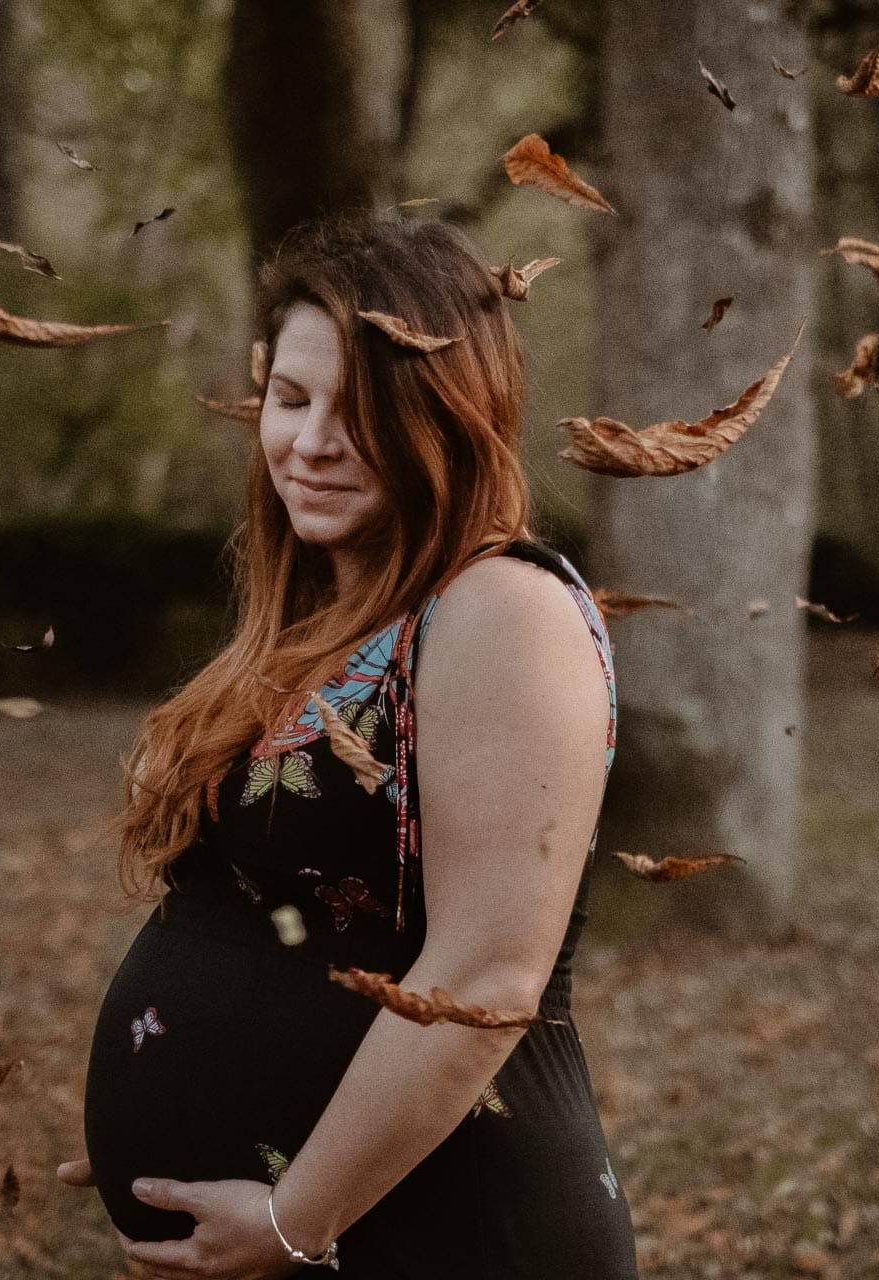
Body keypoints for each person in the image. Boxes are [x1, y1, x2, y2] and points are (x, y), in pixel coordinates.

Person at [56, 209, 637, 1279]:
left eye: (357, 410)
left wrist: (294, 1215)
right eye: (288, 398)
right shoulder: (326, 617)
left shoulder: (499, 610)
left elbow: (489, 971)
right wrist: (168, 1086)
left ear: (448, 416)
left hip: (445, 1230)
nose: (309, 440)